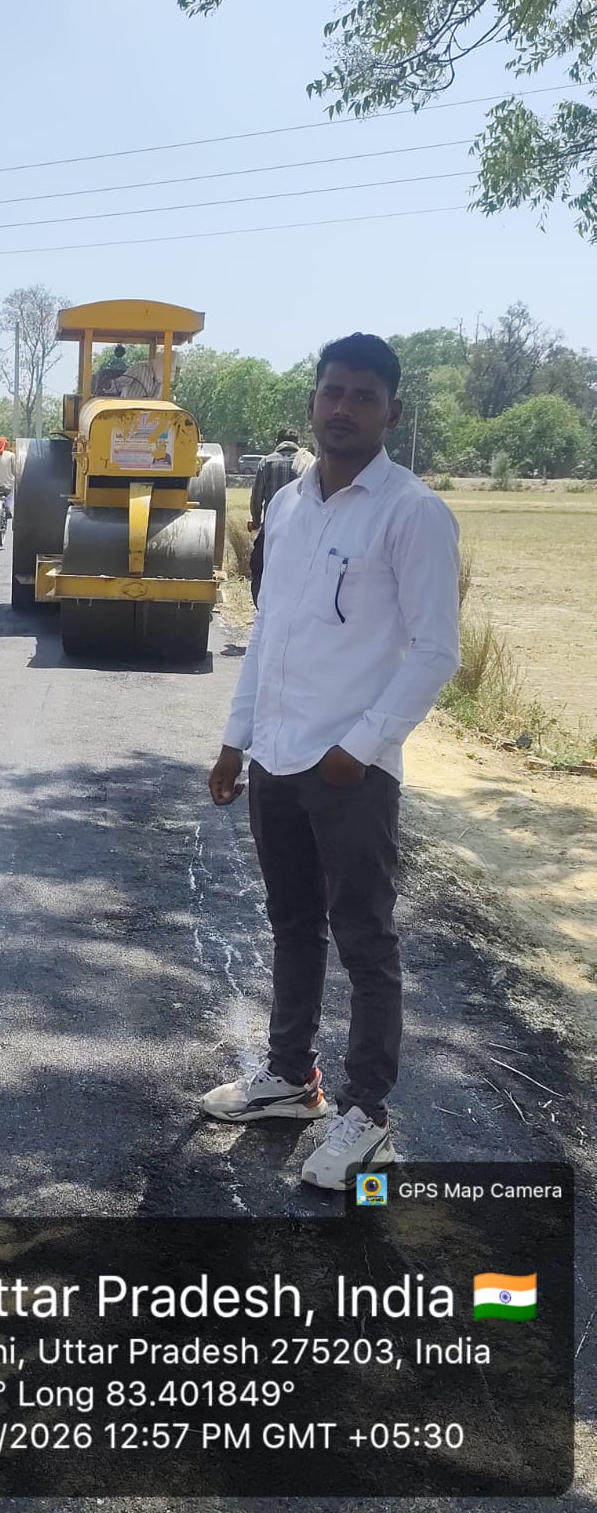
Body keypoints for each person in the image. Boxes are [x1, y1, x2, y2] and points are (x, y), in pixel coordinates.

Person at [203, 334, 461, 1191]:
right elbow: (269, 634)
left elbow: (435, 650)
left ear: (390, 411)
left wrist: (363, 746)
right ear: (313, 402)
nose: (344, 408)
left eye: (363, 396)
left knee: (366, 940)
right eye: (332, 393)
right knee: (291, 923)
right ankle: (291, 1080)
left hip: (351, 769)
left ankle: (368, 1116)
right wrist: (235, 740)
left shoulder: (412, 513)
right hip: (276, 758)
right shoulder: (287, 507)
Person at [248, 432, 317, 607]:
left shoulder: (266, 462)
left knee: (260, 570)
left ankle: (262, 607)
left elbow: (256, 498)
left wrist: (255, 521)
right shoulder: (309, 463)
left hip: (270, 531)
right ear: (297, 442)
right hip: (302, 532)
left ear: (278, 442)